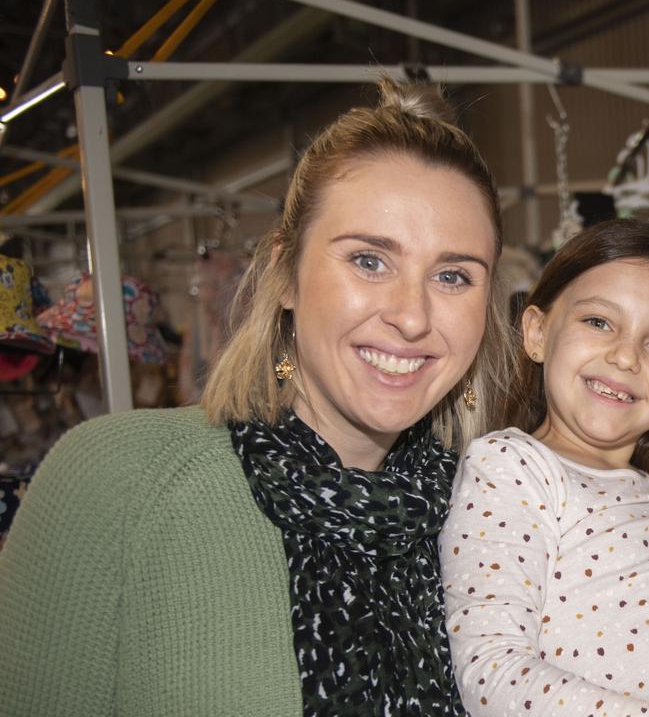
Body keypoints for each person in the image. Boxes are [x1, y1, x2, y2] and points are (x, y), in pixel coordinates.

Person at [0, 79, 515, 716]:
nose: (412, 316)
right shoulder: (121, 481)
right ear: (285, 274)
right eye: (369, 261)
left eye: (452, 275)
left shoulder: (498, 519)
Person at [440, 219, 649, 716]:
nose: (625, 356)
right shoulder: (512, 467)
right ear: (538, 332)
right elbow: (492, 673)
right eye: (599, 322)